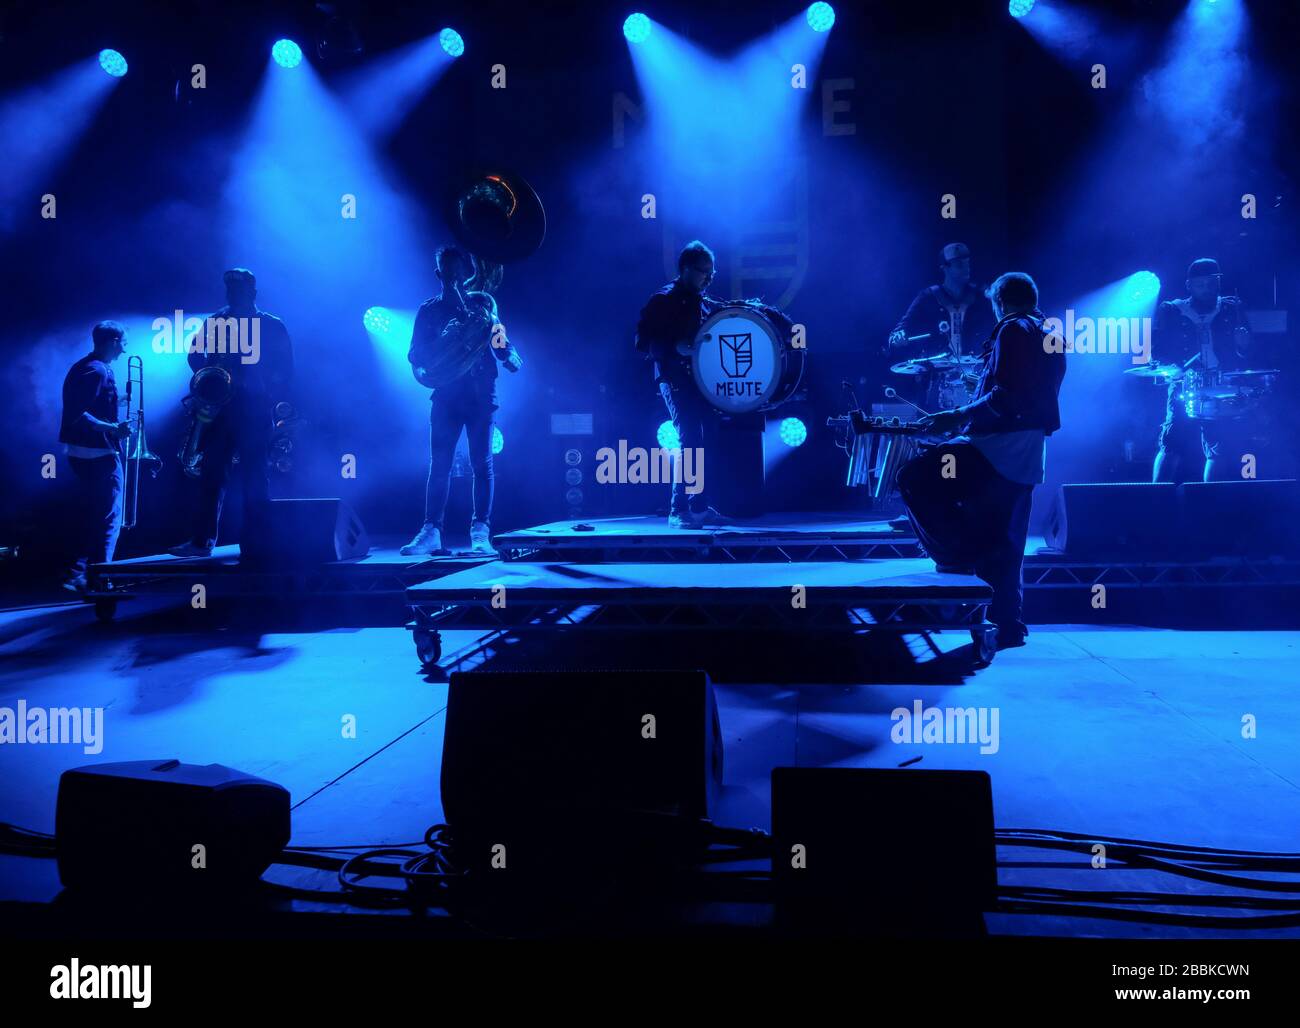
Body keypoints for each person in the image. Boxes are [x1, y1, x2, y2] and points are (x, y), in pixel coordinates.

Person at [896, 271, 1066, 650]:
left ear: (999, 302)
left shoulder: (1012, 329)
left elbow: (1004, 397)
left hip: (997, 449)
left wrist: (955, 417)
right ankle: (1008, 624)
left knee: (914, 478)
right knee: (1007, 539)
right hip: (1028, 450)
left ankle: (958, 555)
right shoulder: (1049, 333)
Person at [401, 245, 521, 557]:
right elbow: (414, 354)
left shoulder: (482, 304)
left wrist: (508, 354)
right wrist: (442, 341)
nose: (453, 274)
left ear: (465, 271)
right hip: (446, 395)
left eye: (458, 268)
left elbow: (497, 337)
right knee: (439, 464)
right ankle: (431, 531)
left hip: (481, 394)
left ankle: (480, 531)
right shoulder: (428, 311)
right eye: (447, 268)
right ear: (438, 272)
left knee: (482, 464)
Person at [170, 268, 293, 558]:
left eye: (239, 290)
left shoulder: (271, 325)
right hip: (222, 409)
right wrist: (210, 379)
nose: (233, 294)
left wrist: (261, 383)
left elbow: (286, 369)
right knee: (212, 474)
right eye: (229, 290)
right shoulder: (216, 321)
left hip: (254, 409)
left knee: (255, 476)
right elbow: (194, 356)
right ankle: (201, 542)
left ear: (253, 292)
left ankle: (258, 542)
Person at [635, 239, 728, 528]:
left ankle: (698, 504)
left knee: (704, 438)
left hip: (699, 380)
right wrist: (676, 347)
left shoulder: (703, 301)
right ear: (686, 269)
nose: (709, 278)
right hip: (673, 376)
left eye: (712, 273)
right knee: (690, 438)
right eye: (704, 272)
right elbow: (642, 342)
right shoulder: (662, 300)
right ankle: (679, 508)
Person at [1151, 258, 1254, 483]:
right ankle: (1156, 502)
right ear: (1189, 285)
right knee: (1172, 444)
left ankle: (1209, 504)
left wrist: (1243, 345)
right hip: (1185, 383)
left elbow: (1247, 353)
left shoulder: (1231, 308)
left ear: (1219, 283)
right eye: (1200, 284)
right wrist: (1174, 368)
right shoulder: (1172, 310)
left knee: (1219, 448)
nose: (1206, 289)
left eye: (1211, 283)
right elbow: (1157, 352)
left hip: (1222, 385)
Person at [58, 321, 131, 591]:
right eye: (123, 344)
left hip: (83, 454)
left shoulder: (84, 366)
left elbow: (89, 403)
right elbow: (79, 413)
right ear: (113, 341)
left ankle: (78, 573)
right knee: (110, 519)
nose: (124, 351)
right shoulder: (96, 370)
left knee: (96, 515)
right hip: (98, 454)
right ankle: (100, 579)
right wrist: (113, 428)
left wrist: (117, 400)